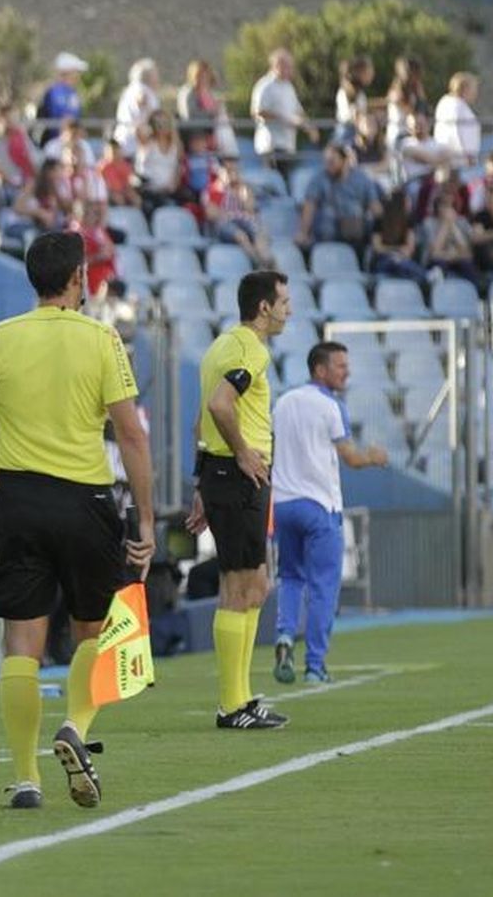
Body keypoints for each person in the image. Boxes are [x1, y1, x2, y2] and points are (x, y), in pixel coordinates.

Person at [0, 230, 154, 810]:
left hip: (18, 502)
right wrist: (146, 521)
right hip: (86, 500)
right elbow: (131, 435)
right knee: (93, 630)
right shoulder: (103, 339)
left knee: (21, 642)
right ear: (77, 279)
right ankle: (76, 730)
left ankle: (26, 777)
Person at [187, 269, 292, 731]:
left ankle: (241, 697)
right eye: (284, 302)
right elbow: (219, 406)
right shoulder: (250, 349)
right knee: (240, 587)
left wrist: (200, 483)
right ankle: (232, 705)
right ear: (264, 307)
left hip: (221, 472)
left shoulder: (219, 346)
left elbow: (200, 421)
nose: (289, 310)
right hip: (237, 473)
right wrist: (244, 452)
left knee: (253, 586)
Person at [271, 342, 388, 686]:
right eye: (340, 366)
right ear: (320, 369)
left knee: (290, 578)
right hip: (319, 506)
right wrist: (374, 457)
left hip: (284, 504)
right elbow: (350, 458)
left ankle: (284, 636)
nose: (346, 372)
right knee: (324, 587)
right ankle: (315, 665)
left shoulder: (283, 402)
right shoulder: (331, 406)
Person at [251, 48, 319, 183]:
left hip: (287, 145)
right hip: (271, 145)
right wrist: (285, 119)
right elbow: (257, 111)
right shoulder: (265, 85)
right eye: (288, 66)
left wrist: (309, 127)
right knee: (274, 183)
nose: (290, 70)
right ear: (278, 65)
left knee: (285, 181)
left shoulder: (288, 87)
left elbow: (298, 111)